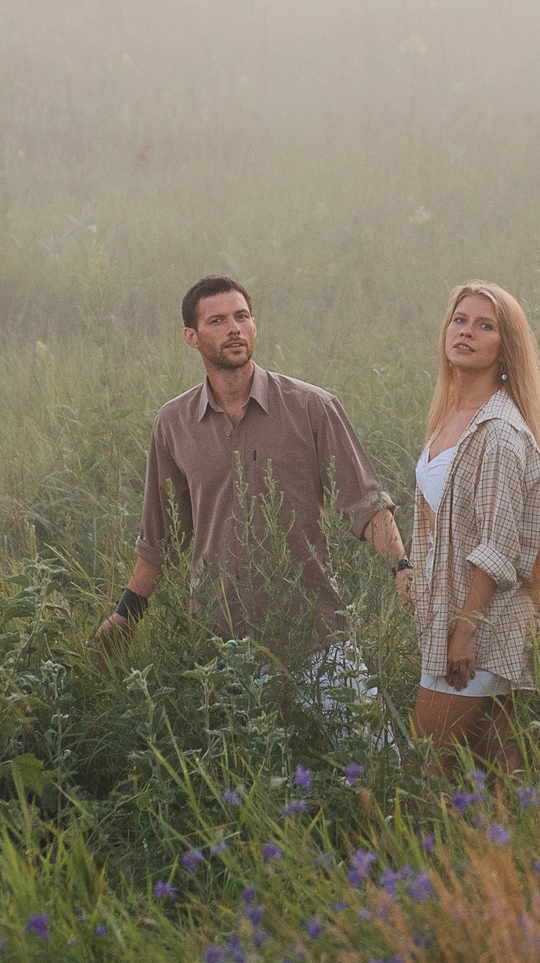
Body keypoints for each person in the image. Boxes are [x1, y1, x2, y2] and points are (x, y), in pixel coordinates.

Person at [96, 277, 411, 701]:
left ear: (255, 326)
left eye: (242, 317)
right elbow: (162, 537)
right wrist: (125, 617)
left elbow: (365, 502)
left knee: (369, 753)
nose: (234, 329)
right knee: (245, 766)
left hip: (315, 632)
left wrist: (402, 568)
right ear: (191, 337)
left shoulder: (312, 407)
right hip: (222, 642)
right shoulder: (173, 424)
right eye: (218, 320)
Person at [409, 280, 540, 768]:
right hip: (454, 618)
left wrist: (465, 631)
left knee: (424, 769)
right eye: (460, 320)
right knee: (498, 772)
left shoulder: (498, 432)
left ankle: (415, 845)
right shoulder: (451, 415)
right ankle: (532, 842)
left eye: (485, 326)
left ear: (506, 348)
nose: (467, 333)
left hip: (480, 626)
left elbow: (496, 546)